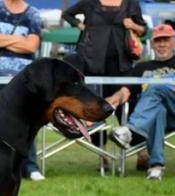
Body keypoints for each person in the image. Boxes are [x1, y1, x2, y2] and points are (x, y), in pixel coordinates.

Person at [108, 24, 175, 180]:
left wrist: (168, 90)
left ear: (174, 43)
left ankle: (130, 130)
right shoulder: (141, 67)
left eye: (166, 40)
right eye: (158, 41)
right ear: (152, 44)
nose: (162, 44)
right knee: (158, 111)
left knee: (156, 87)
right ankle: (156, 166)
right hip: (151, 117)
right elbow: (125, 91)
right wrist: (114, 98)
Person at [62, 0, 147, 169]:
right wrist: (80, 25)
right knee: (94, 109)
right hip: (92, 64)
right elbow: (67, 14)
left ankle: (141, 153)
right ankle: (102, 156)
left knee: (127, 108)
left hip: (122, 65)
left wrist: (132, 25)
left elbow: (143, 29)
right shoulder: (90, 2)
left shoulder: (131, 3)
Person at [0, 0, 43, 181]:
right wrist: (19, 40)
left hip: (25, 80)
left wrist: (1, 39)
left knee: (26, 121)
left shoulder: (33, 13)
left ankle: (30, 167)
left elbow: (31, 46)